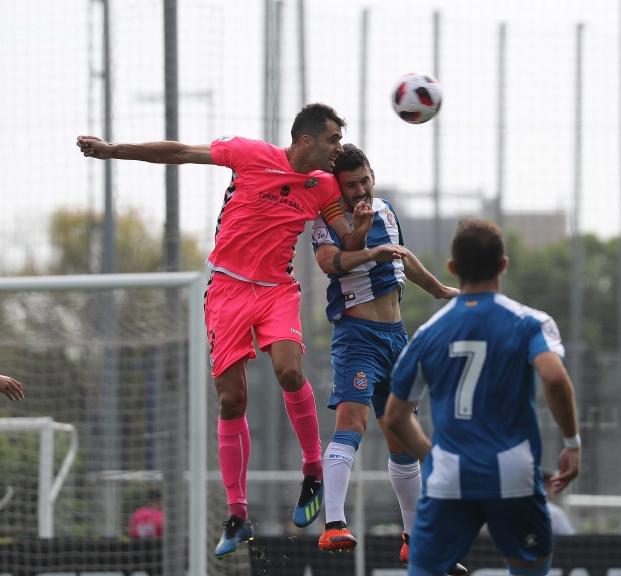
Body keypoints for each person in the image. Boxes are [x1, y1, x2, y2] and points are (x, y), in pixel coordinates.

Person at [77, 103, 371, 559]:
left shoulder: (324, 185)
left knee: (291, 372)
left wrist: (362, 229)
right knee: (232, 398)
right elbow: (180, 153)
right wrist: (113, 150)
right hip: (227, 291)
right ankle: (237, 514)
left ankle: (313, 468)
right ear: (306, 140)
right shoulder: (249, 154)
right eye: (333, 139)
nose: (337, 148)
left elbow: (345, 239)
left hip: (276, 289)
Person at [385, 218, 582, 576]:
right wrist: (572, 443)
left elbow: (396, 416)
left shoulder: (429, 334)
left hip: (450, 476)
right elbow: (554, 378)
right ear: (503, 265)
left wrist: (434, 457)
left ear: (453, 269)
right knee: (530, 567)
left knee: (424, 570)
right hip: (514, 472)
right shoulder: (530, 322)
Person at [309, 144, 465, 574]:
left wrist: (438, 289)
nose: (359, 191)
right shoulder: (327, 220)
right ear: (336, 187)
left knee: (401, 436)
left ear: (372, 175)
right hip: (357, 338)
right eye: (349, 186)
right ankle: (334, 522)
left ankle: (418, 543)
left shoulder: (387, 211)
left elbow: (402, 257)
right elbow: (329, 263)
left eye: (364, 181)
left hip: (398, 340)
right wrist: (368, 250)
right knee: (353, 424)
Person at [543, 470, 576, 536]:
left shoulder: (521, 507)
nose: (557, 490)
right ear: (546, 485)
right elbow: (569, 538)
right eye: (556, 485)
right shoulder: (553, 512)